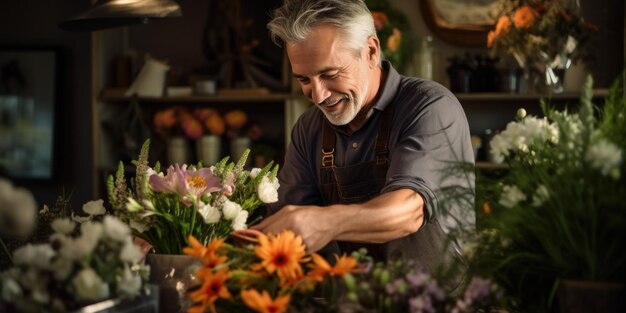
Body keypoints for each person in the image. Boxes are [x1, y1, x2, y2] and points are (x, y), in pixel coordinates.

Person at [248, 0, 475, 273]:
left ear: (370, 51)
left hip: (437, 299)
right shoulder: (308, 128)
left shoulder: (429, 107)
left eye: (330, 74)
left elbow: (409, 211)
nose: (318, 96)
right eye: (304, 80)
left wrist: (326, 222)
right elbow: (289, 229)